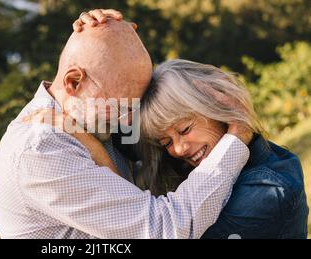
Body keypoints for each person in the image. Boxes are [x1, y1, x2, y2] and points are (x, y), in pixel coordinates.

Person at [0, 13, 251, 239]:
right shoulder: (41, 150)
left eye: (134, 106)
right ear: (73, 82)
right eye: (122, 107)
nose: (129, 122)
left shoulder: (89, 112)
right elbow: (164, 229)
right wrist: (236, 137)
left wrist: (105, 31)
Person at [73, 10, 309, 239]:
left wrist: (238, 129)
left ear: (214, 108)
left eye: (185, 130)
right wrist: (98, 35)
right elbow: (116, 129)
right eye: (165, 142)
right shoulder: (192, 159)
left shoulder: (267, 189)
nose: (179, 149)